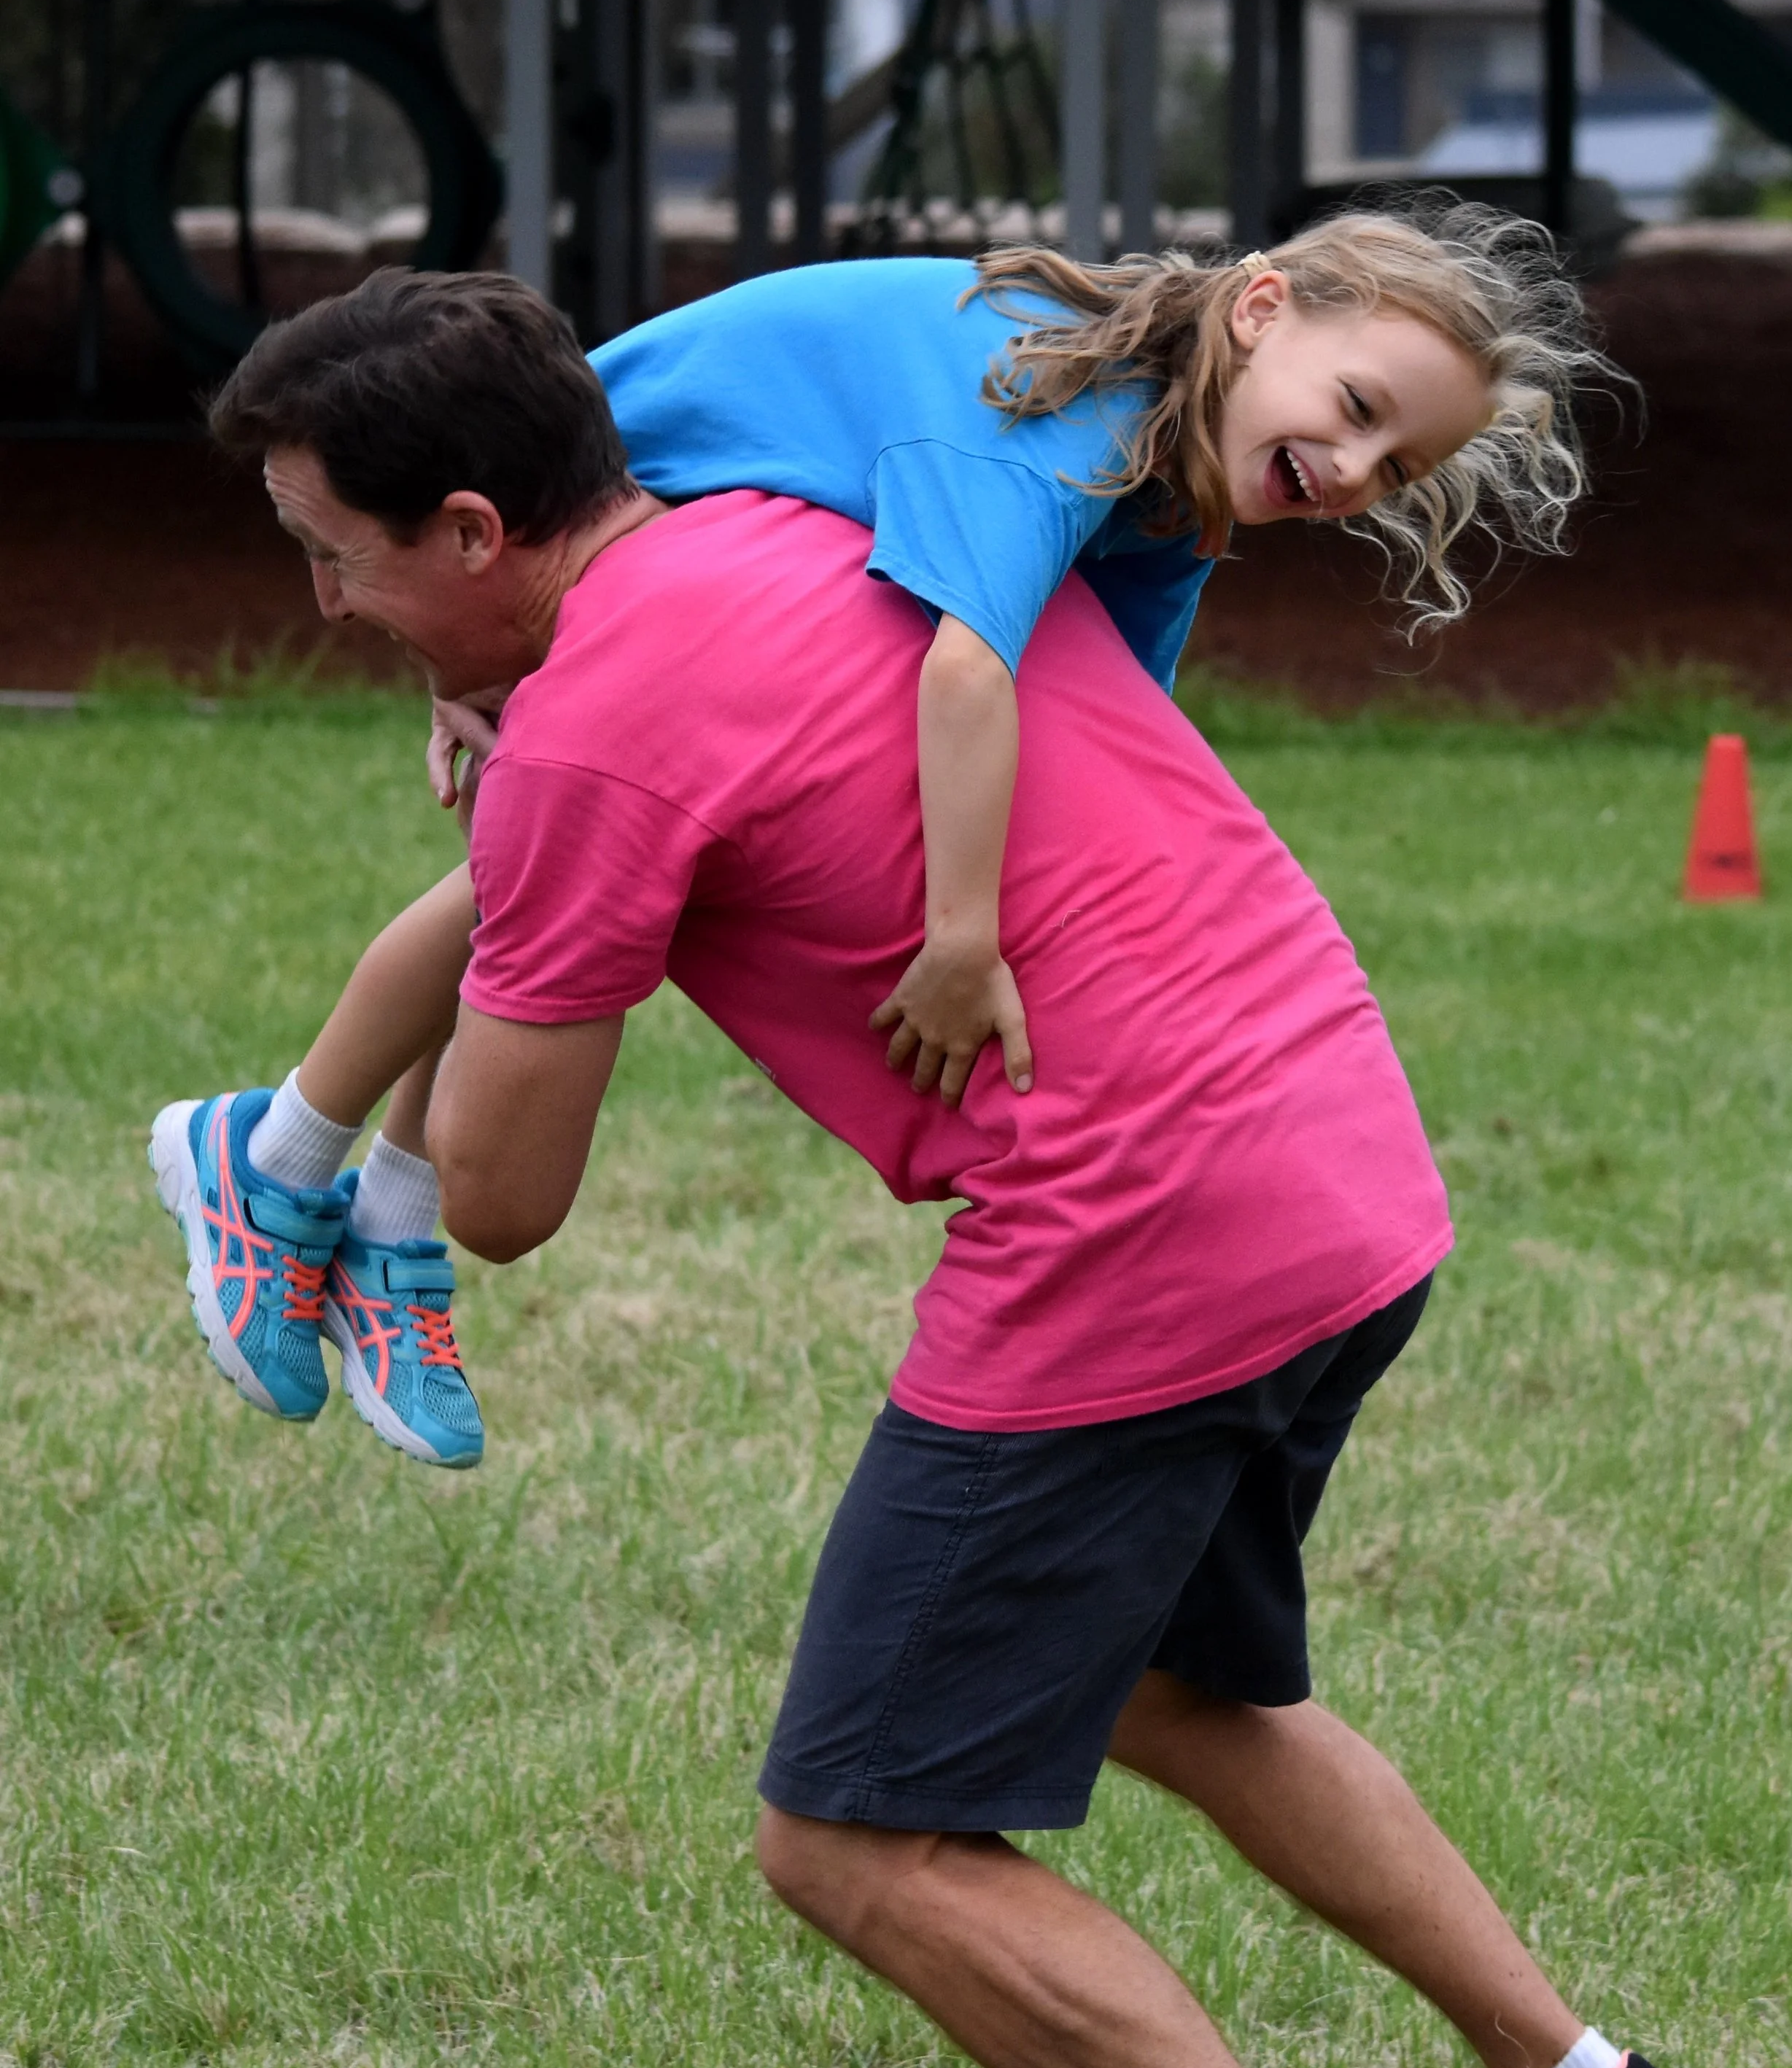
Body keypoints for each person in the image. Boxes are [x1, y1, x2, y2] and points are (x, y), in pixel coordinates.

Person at [155, 327, 1691, 2068]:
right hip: (1342, 1161)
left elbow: (501, 1203)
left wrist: (537, 887)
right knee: (1170, 1686)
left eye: (332, 550)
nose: (329, 606)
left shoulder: (587, 745)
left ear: (479, 529)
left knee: (858, 1840)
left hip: (1139, 1230)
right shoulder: (810, 521)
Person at [150, 212, 1595, 1469]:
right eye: (1351, 407)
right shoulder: (1073, 428)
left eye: (1393, 464)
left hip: (644, 539)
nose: (1352, 467)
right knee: (535, 884)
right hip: (600, 497)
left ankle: (366, 1202)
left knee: (535, 887)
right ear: (1261, 306)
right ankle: (281, 1159)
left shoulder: (1165, 496)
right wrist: (960, 939)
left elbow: (1104, 732)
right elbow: (966, 673)